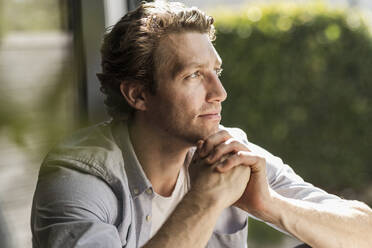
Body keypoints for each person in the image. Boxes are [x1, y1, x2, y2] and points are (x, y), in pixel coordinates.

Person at [31, 1, 372, 247]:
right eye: (194, 75)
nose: (219, 93)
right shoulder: (79, 176)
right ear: (138, 95)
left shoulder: (228, 152)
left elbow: (364, 233)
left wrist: (267, 204)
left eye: (216, 72)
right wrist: (205, 200)